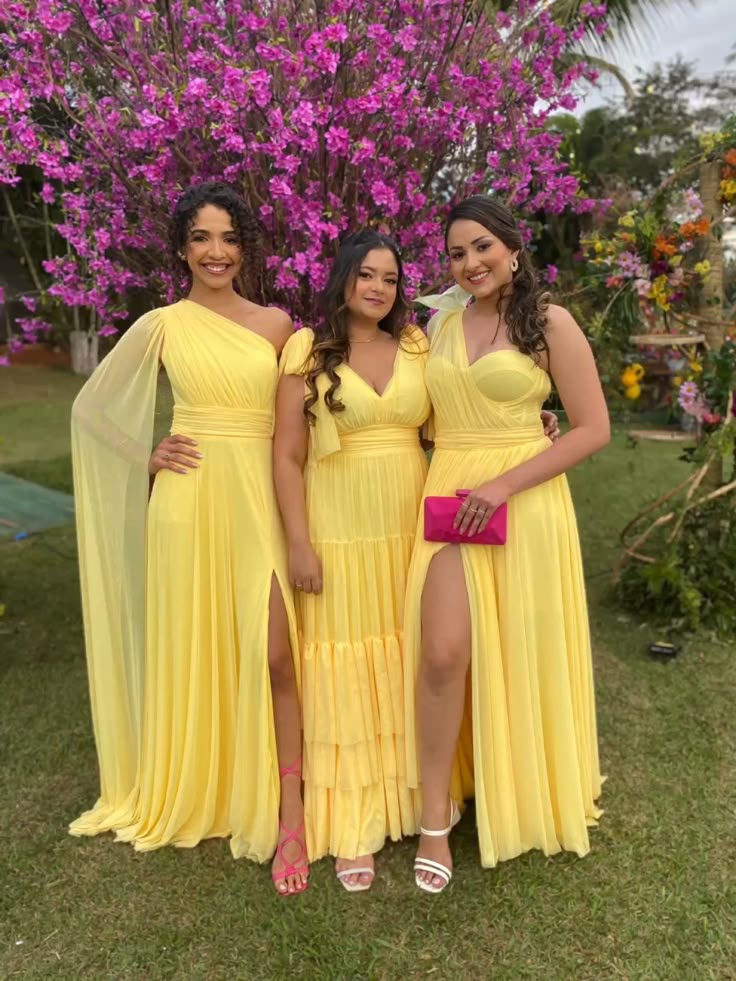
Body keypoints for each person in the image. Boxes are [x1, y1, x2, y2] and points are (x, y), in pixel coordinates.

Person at [272, 230, 560, 892]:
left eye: (391, 278)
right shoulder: (306, 349)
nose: (379, 288)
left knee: (414, 657)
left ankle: (418, 800)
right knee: (345, 659)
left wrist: (531, 422)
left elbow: (457, 415)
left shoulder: (416, 345)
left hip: (411, 521)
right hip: (338, 527)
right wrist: (298, 541)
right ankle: (352, 818)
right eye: (366, 274)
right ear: (343, 278)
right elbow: (285, 454)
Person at [70, 182, 308, 896]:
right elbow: (89, 409)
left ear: (245, 248)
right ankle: (208, 786)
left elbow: (305, 420)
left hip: (257, 499)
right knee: (196, 641)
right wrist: (145, 456)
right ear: (181, 248)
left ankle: (290, 809)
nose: (216, 251)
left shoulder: (276, 326)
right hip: (188, 499)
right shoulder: (162, 325)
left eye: (229, 237)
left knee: (275, 650)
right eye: (201, 237)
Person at [405, 195, 609, 894]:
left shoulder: (548, 322)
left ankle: (521, 784)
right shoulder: (439, 324)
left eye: (482, 247)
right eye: (457, 253)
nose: (471, 263)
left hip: (522, 499)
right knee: (442, 652)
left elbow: (593, 428)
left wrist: (507, 478)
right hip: (448, 490)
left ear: (513, 248)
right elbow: (424, 417)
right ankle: (435, 813)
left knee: (519, 646)